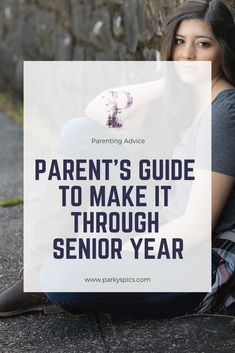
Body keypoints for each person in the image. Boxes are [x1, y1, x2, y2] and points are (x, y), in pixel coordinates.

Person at [0, 0, 235, 318]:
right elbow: (97, 110)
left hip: (193, 261)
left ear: (223, 49)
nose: (188, 55)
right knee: (79, 133)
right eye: (180, 43)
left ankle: (46, 278)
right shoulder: (188, 99)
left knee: (63, 274)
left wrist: (121, 246)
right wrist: (170, 80)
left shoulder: (225, 111)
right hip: (161, 222)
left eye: (202, 45)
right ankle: (36, 277)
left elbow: (195, 228)